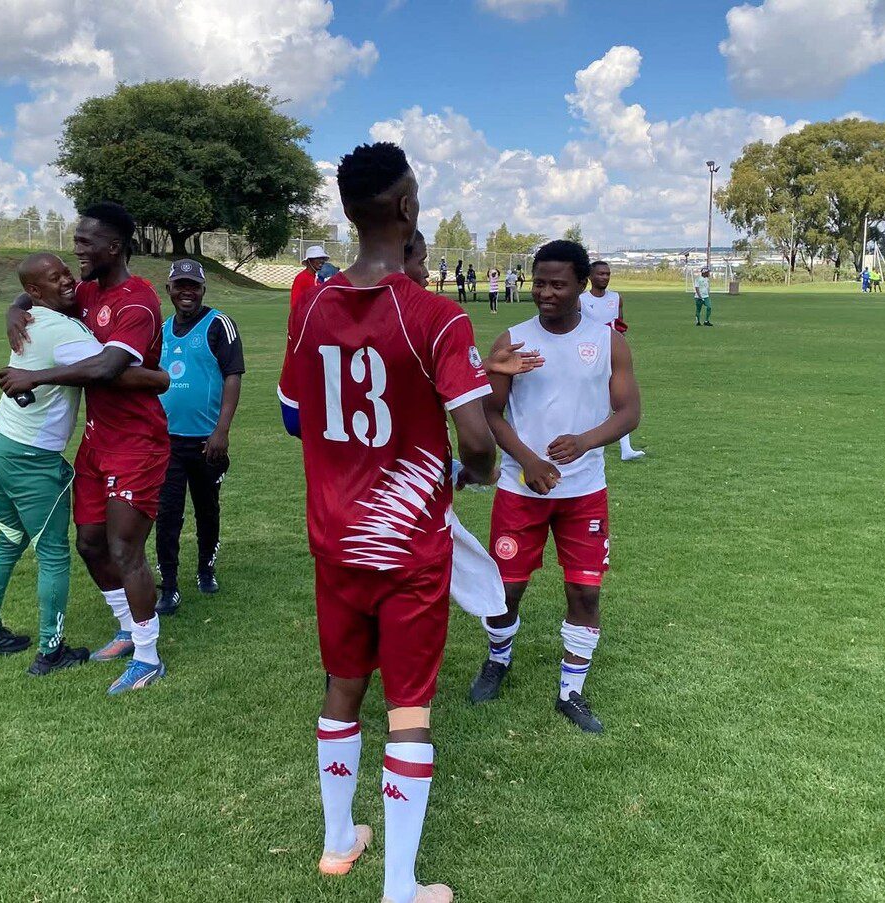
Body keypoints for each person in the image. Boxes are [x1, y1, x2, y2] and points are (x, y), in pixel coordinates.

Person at [279, 142, 498, 903]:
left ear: (348, 212)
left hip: (334, 538)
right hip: (407, 548)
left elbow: (293, 414)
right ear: (407, 209)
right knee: (408, 704)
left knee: (342, 683)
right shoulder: (436, 314)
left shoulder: (308, 304)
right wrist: (475, 471)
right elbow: (475, 437)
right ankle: (400, 886)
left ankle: (340, 842)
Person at [0, 253, 168, 675]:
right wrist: (159, 379)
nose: (68, 278)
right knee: (55, 553)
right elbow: (110, 369)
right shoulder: (62, 329)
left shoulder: (38, 316)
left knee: (11, 539)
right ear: (37, 291)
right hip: (30, 456)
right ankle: (51, 651)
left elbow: (102, 361)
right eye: (55, 277)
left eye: (67, 272)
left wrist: (15, 308)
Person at [468, 240, 642, 736]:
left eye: (557, 284)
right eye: (538, 282)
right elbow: (489, 412)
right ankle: (498, 660)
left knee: (584, 593)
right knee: (507, 590)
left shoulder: (608, 342)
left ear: (581, 286)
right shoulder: (513, 341)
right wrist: (527, 460)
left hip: (584, 491)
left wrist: (586, 441)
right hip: (521, 491)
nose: (544, 292)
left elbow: (630, 412)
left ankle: (572, 690)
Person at [154, 259, 245, 616]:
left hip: (207, 442)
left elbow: (233, 375)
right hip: (169, 443)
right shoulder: (162, 329)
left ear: (203, 289)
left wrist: (221, 431)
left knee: (207, 510)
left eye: (193, 286)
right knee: (168, 514)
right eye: (180, 286)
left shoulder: (218, 324)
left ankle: (206, 568)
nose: (187, 292)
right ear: (170, 291)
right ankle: (170, 586)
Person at [582, 261, 645, 462]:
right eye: (600, 273)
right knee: (590, 398)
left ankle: (626, 449)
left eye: (608, 274)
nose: (605, 277)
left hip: (612, 354)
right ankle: (585, 441)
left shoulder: (617, 298)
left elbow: (620, 327)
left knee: (620, 397)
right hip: (589, 355)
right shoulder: (581, 300)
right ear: (591, 276)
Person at [292, 245, 330, 320]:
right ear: (309, 260)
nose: (322, 261)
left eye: (322, 258)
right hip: (304, 321)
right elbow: (295, 304)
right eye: (318, 258)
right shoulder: (302, 278)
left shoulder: (318, 279)